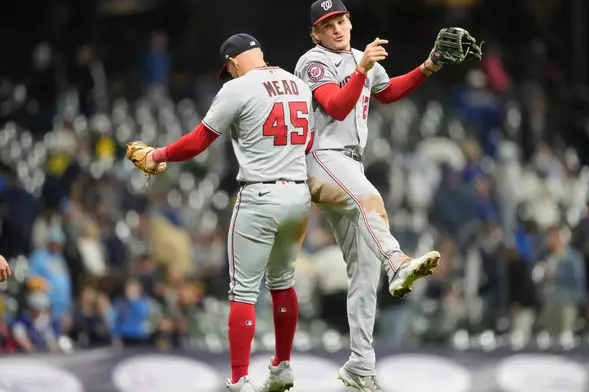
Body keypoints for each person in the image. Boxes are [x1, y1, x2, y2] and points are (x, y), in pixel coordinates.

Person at [293, 1, 480, 390]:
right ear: (316, 33)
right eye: (328, 25)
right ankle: (397, 260)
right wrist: (361, 70)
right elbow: (336, 107)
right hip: (321, 157)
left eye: (341, 21)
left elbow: (389, 91)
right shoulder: (312, 62)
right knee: (370, 199)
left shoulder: (362, 58)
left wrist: (430, 66)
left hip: (349, 162)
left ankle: (360, 365)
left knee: (363, 270)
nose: (337, 29)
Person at [125, 33, 313, 392]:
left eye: (227, 68)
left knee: (243, 293)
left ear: (233, 62)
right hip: (298, 194)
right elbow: (307, 142)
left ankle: (241, 378)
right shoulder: (298, 84)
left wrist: (157, 155)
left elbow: (198, 140)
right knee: (283, 283)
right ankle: (282, 365)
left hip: (260, 193)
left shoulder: (238, 87)